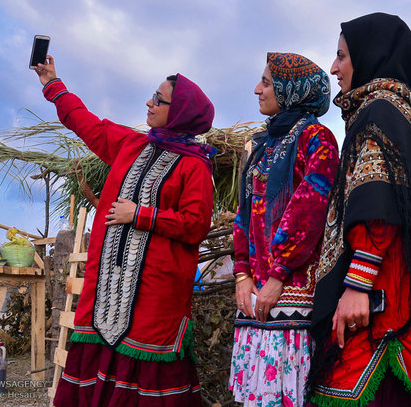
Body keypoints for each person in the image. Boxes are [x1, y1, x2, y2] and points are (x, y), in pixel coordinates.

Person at [35, 56, 215, 407]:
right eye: (153, 95)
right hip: (106, 290)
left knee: (145, 377)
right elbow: (86, 124)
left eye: (159, 99)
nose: (149, 102)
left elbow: (196, 225)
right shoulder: (131, 146)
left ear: (178, 112)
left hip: (155, 297)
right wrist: (52, 85)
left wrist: (141, 215)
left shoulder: (194, 166)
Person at [307, 13, 411, 406]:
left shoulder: (381, 111)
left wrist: (357, 285)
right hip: (401, 285)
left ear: (369, 55)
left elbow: (379, 201)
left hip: (381, 294)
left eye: (341, 56)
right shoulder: (397, 110)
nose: (334, 68)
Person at [230, 52, 339, 406]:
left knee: (287, 394)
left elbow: (309, 211)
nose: (257, 89)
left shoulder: (316, 139)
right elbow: (244, 214)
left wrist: (278, 274)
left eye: (266, 82)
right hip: (257, 295)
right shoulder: (263, 145)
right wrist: (242, 274)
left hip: (292, 293)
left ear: (291, 90)